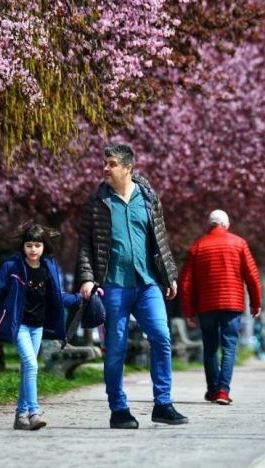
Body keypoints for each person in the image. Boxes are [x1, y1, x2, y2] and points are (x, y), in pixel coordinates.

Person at [74, 144, 187, 428]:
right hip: (112, 286)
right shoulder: (98, 202)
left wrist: (169, 275)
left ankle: (162, 404)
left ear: (128, 168)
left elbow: (160, 240)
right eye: (105, 163)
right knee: (115, 348)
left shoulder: (148, 197)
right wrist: (87, 278)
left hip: (147, 284)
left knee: (161, 337)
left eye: (111, 163)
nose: (106, 168)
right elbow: (85, 245)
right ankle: (119, 409)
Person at [0, 224, 82, 430]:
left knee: (28, 369)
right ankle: (34, 412)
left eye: (37, 245)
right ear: (23, 246)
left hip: (38, 326)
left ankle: (20, 416)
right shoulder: (12, 267)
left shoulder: (49, 267)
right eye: (29, 245)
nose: (33, 249)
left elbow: (58, 296)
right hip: (19, 327)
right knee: (32, 365)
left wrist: (80, 298)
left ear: (44, 246)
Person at [179, 209, 262, 405]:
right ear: (226, 225)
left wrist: (189, 311)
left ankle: (212, 389)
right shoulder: (239, 244)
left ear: (209, 225)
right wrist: (256, 303)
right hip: (232, 304)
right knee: (229, 346)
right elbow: (252, 277)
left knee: (210, 348)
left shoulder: (197, 246)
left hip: (206, 306)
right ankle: (223, 391)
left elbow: (185, 283)